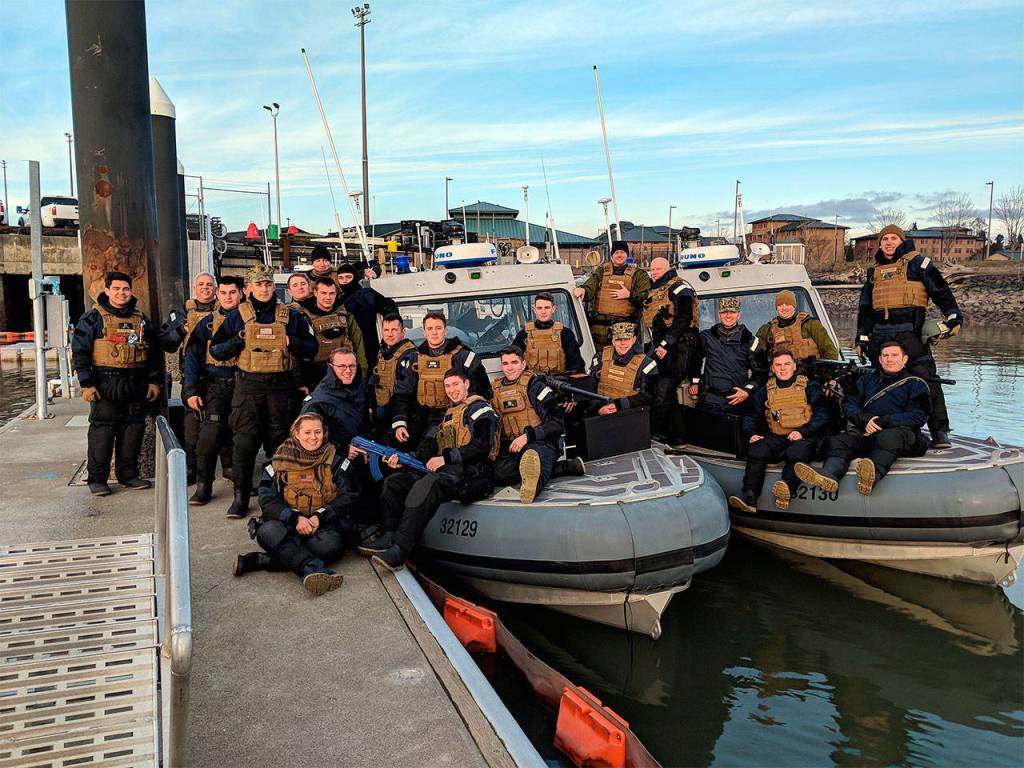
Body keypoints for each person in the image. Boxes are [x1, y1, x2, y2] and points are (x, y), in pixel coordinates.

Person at [361, 369, 499, 571]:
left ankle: (400, 549)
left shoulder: (480, 409)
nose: (451, 390)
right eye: (447, 386)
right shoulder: (447, 414)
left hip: (472, 471)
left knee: (428, 484)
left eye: (456, 384)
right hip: (447, 469)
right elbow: (428, 447)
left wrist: (446, 458)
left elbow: (482, 445)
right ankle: (389, 534)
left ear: (467, 384)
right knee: (395, 482)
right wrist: (404, 460)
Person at [210, 263, 318, 518]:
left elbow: (312, 349)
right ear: (249, 288)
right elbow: (216, 350)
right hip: (249, 388)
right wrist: (238, 340)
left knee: (281, 445)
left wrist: (293, 342)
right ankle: (240, 498)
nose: (264, 288)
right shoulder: (237, 316)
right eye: (259, 284)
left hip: (281, 388)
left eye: (268, 283)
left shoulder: (291, 316)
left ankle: (282, 496)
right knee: (244, 444)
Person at [855, 225, 962, 448]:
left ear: (901, 241)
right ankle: (886, 428)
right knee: (880, 384)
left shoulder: (918, 263)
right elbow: (865, 307)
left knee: (927, 380)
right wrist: (861, 338)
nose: (889, 242)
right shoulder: (873, 273)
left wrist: (954, 317)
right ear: (880, 243)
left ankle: (939, 431)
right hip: (880, 336)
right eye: (885, 239)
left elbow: (941, 291)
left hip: (910, 335)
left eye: (893, 238)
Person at [233, 413, 357, 596]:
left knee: (330, 546)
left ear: (324, 433)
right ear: (296, 434)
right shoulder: (278, 462)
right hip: (287, 525)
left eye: (318, 432)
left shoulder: (337, 462)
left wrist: (321, 516)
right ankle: (314, 568)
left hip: (322, 527)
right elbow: (267, 499)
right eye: (307, 432)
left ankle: (261, 561)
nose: (313, 437)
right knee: (268, 531)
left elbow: (349, 496)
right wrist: (295, 518)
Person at [795, 340, 931, 497]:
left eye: (894, 355)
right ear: (880, 359)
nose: (889, 359)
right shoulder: (866, 380)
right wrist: (865, 420)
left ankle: (871, 477)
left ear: (904, 359)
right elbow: (849, 405)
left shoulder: (916, 384)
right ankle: (829, 475)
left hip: (900, 434)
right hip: (866, 430)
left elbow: (918, 416)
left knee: (888, 438)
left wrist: (884, 421)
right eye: (885, 355)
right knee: (837, 441)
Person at [71, 271, 163, 495]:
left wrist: (154, 381)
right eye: (116, 289)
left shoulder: (141, 319)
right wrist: (86, 384)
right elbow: (80, 352)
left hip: (135, 382)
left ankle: (128, 474)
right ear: (107, 290)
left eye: (126, 289)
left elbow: (152, 353)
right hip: (105, 383)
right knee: (102, 432)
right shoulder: (92, 318)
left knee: (133, 429)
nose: (122, 293)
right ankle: (97, 479)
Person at [728, 350, 830, 513]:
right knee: (757, 449)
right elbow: (751, 414)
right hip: (777, 435)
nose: (783, 369)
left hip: (804, 436)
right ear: (773, 368)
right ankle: (750, 497)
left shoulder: (809, 386)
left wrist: (803, 431)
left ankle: (786, 489)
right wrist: (751, 433)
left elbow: (823, 415)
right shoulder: (767, 389)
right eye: (778, 365)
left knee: (796, 453)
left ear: (794, 366)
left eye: (787, 364)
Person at [491, 346, 584, 503]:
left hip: (541, 443)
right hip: (513, 447)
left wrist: (527, 437)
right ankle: (563, 467)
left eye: (514, 362)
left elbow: (556, 423)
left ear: (523, 364)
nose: (509, 367)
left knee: (534, 465)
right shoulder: (495, 389)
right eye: (505, 363)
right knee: (498, 475)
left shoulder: (535, 386)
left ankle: (531, 489)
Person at [390, 312, 492, 453]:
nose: (434, 333)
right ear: (424, 332)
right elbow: (402, 394)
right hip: (421, 417)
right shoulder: (414, 359)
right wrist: (400, 423)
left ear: (445, 330)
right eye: (430, 329)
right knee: (394, 446)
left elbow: (483, 391)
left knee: (426, 449)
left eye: (438, 328)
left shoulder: (463, 357)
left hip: (453, 417)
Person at [182, 276, 244, 506]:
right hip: (216, 386)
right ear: (218, 294)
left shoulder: (252, 321)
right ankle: (203, 486)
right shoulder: (207, 323)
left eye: (233, 292)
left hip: (245, 387)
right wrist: (191, 390)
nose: (228, 297)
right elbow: (192, 357)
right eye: (224, 293)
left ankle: (241, 483)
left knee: (242, 438)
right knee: (208, 438)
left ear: (241, 294)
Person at [158, 271, 218, 483]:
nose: (205, 288)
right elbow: (165, 341)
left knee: (224, 424)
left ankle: (228, 468)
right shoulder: (182, 313)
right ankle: (191, 469)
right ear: (194, 288)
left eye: (209, 285)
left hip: (221, 376)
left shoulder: (226, 310)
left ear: (215, 289)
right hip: (192, 377)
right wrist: (182, 330)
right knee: (192, 428)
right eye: (201, 285)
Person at [643, 257, 699, 444]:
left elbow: (684, 317)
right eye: (652, 269)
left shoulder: (679, 287)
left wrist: (666, 344)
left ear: (668, 269)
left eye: (658, 269)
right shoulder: (657, 288)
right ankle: (677, 435)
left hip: (679, 347)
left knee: (663, 391)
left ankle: (651, 434)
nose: (654, 272)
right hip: (663, 344)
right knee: (663, 391)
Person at [688, 296, 763, 415]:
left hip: (737, 403)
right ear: (719, 315)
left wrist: (747, 391)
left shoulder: (751, 341)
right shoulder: (706, 337)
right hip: (709, 402)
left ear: (739, 315)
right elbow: (695, 360)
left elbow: (761, 373)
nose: (728, 316)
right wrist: (695, 382)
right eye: (724, 312)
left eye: (732, 312)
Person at [573, 240, 651, 349]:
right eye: (616, 252)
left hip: (625, 331)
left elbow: (646, 297)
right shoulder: (601, 271)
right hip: (600, 331)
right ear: (612, 255)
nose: (619, 255)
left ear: (627, 254)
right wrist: (583, 290)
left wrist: (629, 295)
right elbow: (591, 285)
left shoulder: (639, 275)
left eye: (622, 252)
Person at [300, 277, 367, 389]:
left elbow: (359, 347)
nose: (328, 297)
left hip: (346, 373)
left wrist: (363, 375)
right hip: (316, 376)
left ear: (336, 294)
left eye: (331, 293)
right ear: (315, 293)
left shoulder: (346, 316)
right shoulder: (304, 317)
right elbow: (298, 352)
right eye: (323, 293)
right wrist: (300, 382)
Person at [335, 261, 398, 365]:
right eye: (341, 278)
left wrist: (388, 334)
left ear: (354, 278)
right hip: (350, 345)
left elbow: (389, 307)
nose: (345, 281)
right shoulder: (339, 299)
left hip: (370, 343)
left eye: (348, 277)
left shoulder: (365, 294)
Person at [754, 290, 839, 366]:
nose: (784, 308)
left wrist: (829, 372)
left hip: (810, 374)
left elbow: (830, 351)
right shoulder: (767, 330)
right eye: (780, 305)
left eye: (788, 304)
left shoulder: (810, 324)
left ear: (794, 306)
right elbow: (754, 353)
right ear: (776, 308)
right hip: (782, 375)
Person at [590, 322, 659, 415]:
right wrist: (598, 407)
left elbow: (649, 396)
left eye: (627, 339)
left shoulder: (647, 364)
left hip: (631, 415)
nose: (623, 343)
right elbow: (589, 386)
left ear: (634, 339)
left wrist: (618, 405)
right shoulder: (600, 357)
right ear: (613, 341)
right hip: (601, 415)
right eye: (618, 339)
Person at [511, 292, 585, 375]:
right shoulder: (524, 334)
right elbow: (512, 360)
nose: (543, 312)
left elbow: (576, 365)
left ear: (553, 309)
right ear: (535, 310)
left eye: (547, 307)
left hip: (559, 380)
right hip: (532, 380)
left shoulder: (565, 334)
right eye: (539, 308)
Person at [369, 313, 416, 435]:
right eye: (386, 330)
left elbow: (405, 392)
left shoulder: (410, 356)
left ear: (403, 332)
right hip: (383, 415)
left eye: (394, 330)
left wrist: (399, 421)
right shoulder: (383, 353)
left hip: (402, 417)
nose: (389, 334)